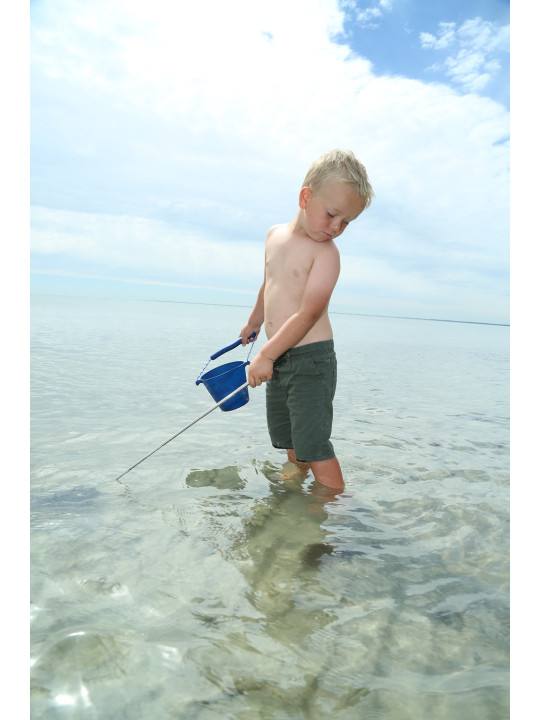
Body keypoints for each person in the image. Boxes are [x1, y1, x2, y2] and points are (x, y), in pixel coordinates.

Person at [239, 149, 374, 491]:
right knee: (289, 439)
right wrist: (255, 321)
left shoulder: (326, 255)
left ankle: (332, 505)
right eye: (332, 215)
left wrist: (267, 354)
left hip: (310, 360)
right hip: (279, 355)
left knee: (314, 444)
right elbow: (270, 281)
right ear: (305, 197)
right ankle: (294, 497)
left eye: (346, 222)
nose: (336, 228)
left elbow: (309, 312)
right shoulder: (274, 235)